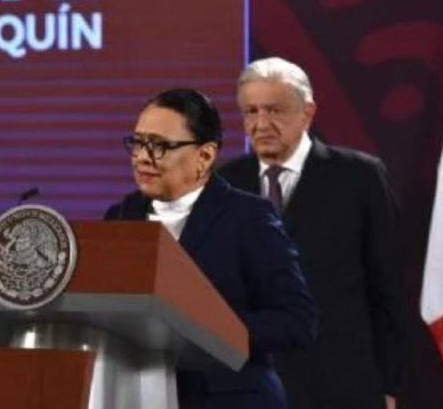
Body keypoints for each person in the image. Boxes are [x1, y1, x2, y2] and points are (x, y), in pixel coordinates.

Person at [105, 88, 316, 409]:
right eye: (137, 142)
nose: (142, 157)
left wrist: (208, 329)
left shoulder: (248, 218)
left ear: (204, 156)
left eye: (160, 145)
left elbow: (296, 321)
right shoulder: (120, 216)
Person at [219, 57, 407, 409]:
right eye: (251, 111)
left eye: (274, 110)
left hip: (344, 387)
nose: (261, 124)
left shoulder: (359, 177)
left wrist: (390, 385)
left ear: (307, 112)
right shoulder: (225, 184)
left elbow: (390, 291)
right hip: (250, 388)